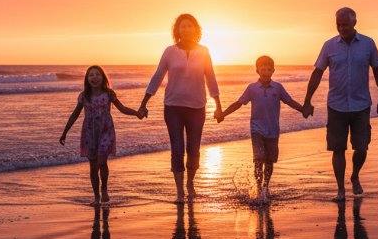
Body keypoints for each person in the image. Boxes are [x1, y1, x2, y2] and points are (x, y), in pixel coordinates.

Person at [302, 7, 378, 201]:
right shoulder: (329, 46)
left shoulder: (368, 44)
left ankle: (355, 175)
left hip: (361, 105)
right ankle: (340, 190)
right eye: (338, 24)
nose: (342, 28)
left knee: (362, 147)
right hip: (336, 106)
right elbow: (317, 73)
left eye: (345, 24)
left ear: (354, 23)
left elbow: (377, 71)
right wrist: (307, 100)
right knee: (337, 148)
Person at [138, 14, 222, 201]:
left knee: (193, 149)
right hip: (173, 107)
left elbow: (211, 78)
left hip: (197, 108)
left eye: (189, 26)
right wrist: (144, 103)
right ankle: (179, 191)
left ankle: (190, 182)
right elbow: (157, 77)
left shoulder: (204, 51)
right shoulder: (169, 51)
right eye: (182, 27)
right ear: (177, 31)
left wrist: (218, 106)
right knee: (177, 149)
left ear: (195, 29)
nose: (185, 29)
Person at [217, 55, 304, 201]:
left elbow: (290, 101)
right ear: (257, 70)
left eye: (269, 69)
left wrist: (304, 109)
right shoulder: (252, 88)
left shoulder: (278, 87)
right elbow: (239, 103)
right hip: (257, 130)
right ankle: (258, 189)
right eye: (263, 69)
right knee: (258, 159)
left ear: (273, 71)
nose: (266, 72)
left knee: (269, 162)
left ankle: (265, 187)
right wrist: (224, 113)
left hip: (273, 130)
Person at [60, 65, 139, 203]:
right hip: (89, 133)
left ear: (103, 77)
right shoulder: (84, 96)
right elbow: (74, 115)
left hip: (106, 131)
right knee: (93, 167)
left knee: (102, 162)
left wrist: (137, 113)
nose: (94, 77)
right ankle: (96, 197)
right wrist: (65, 132)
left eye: (97, 74)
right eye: (91, 75)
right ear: (87, 79)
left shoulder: (109, 94)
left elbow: (122, 108)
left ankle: (104, 189)